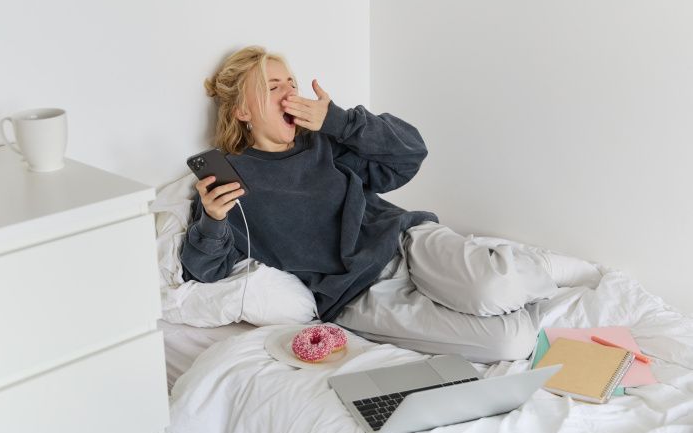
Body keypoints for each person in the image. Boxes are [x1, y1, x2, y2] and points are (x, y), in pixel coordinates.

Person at [179, 45, 601, 363]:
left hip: (405, 242)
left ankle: (534, 270)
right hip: (359, 296)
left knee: (497, 287)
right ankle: (519, 295)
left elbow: (409, 154)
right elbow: (205, 270)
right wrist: (213, 220)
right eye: (273, 88)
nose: (290, 93)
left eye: (291, 82)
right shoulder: (230, 183)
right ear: (242, 111)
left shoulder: (324, 140)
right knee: (511, 343)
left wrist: (339, 120)